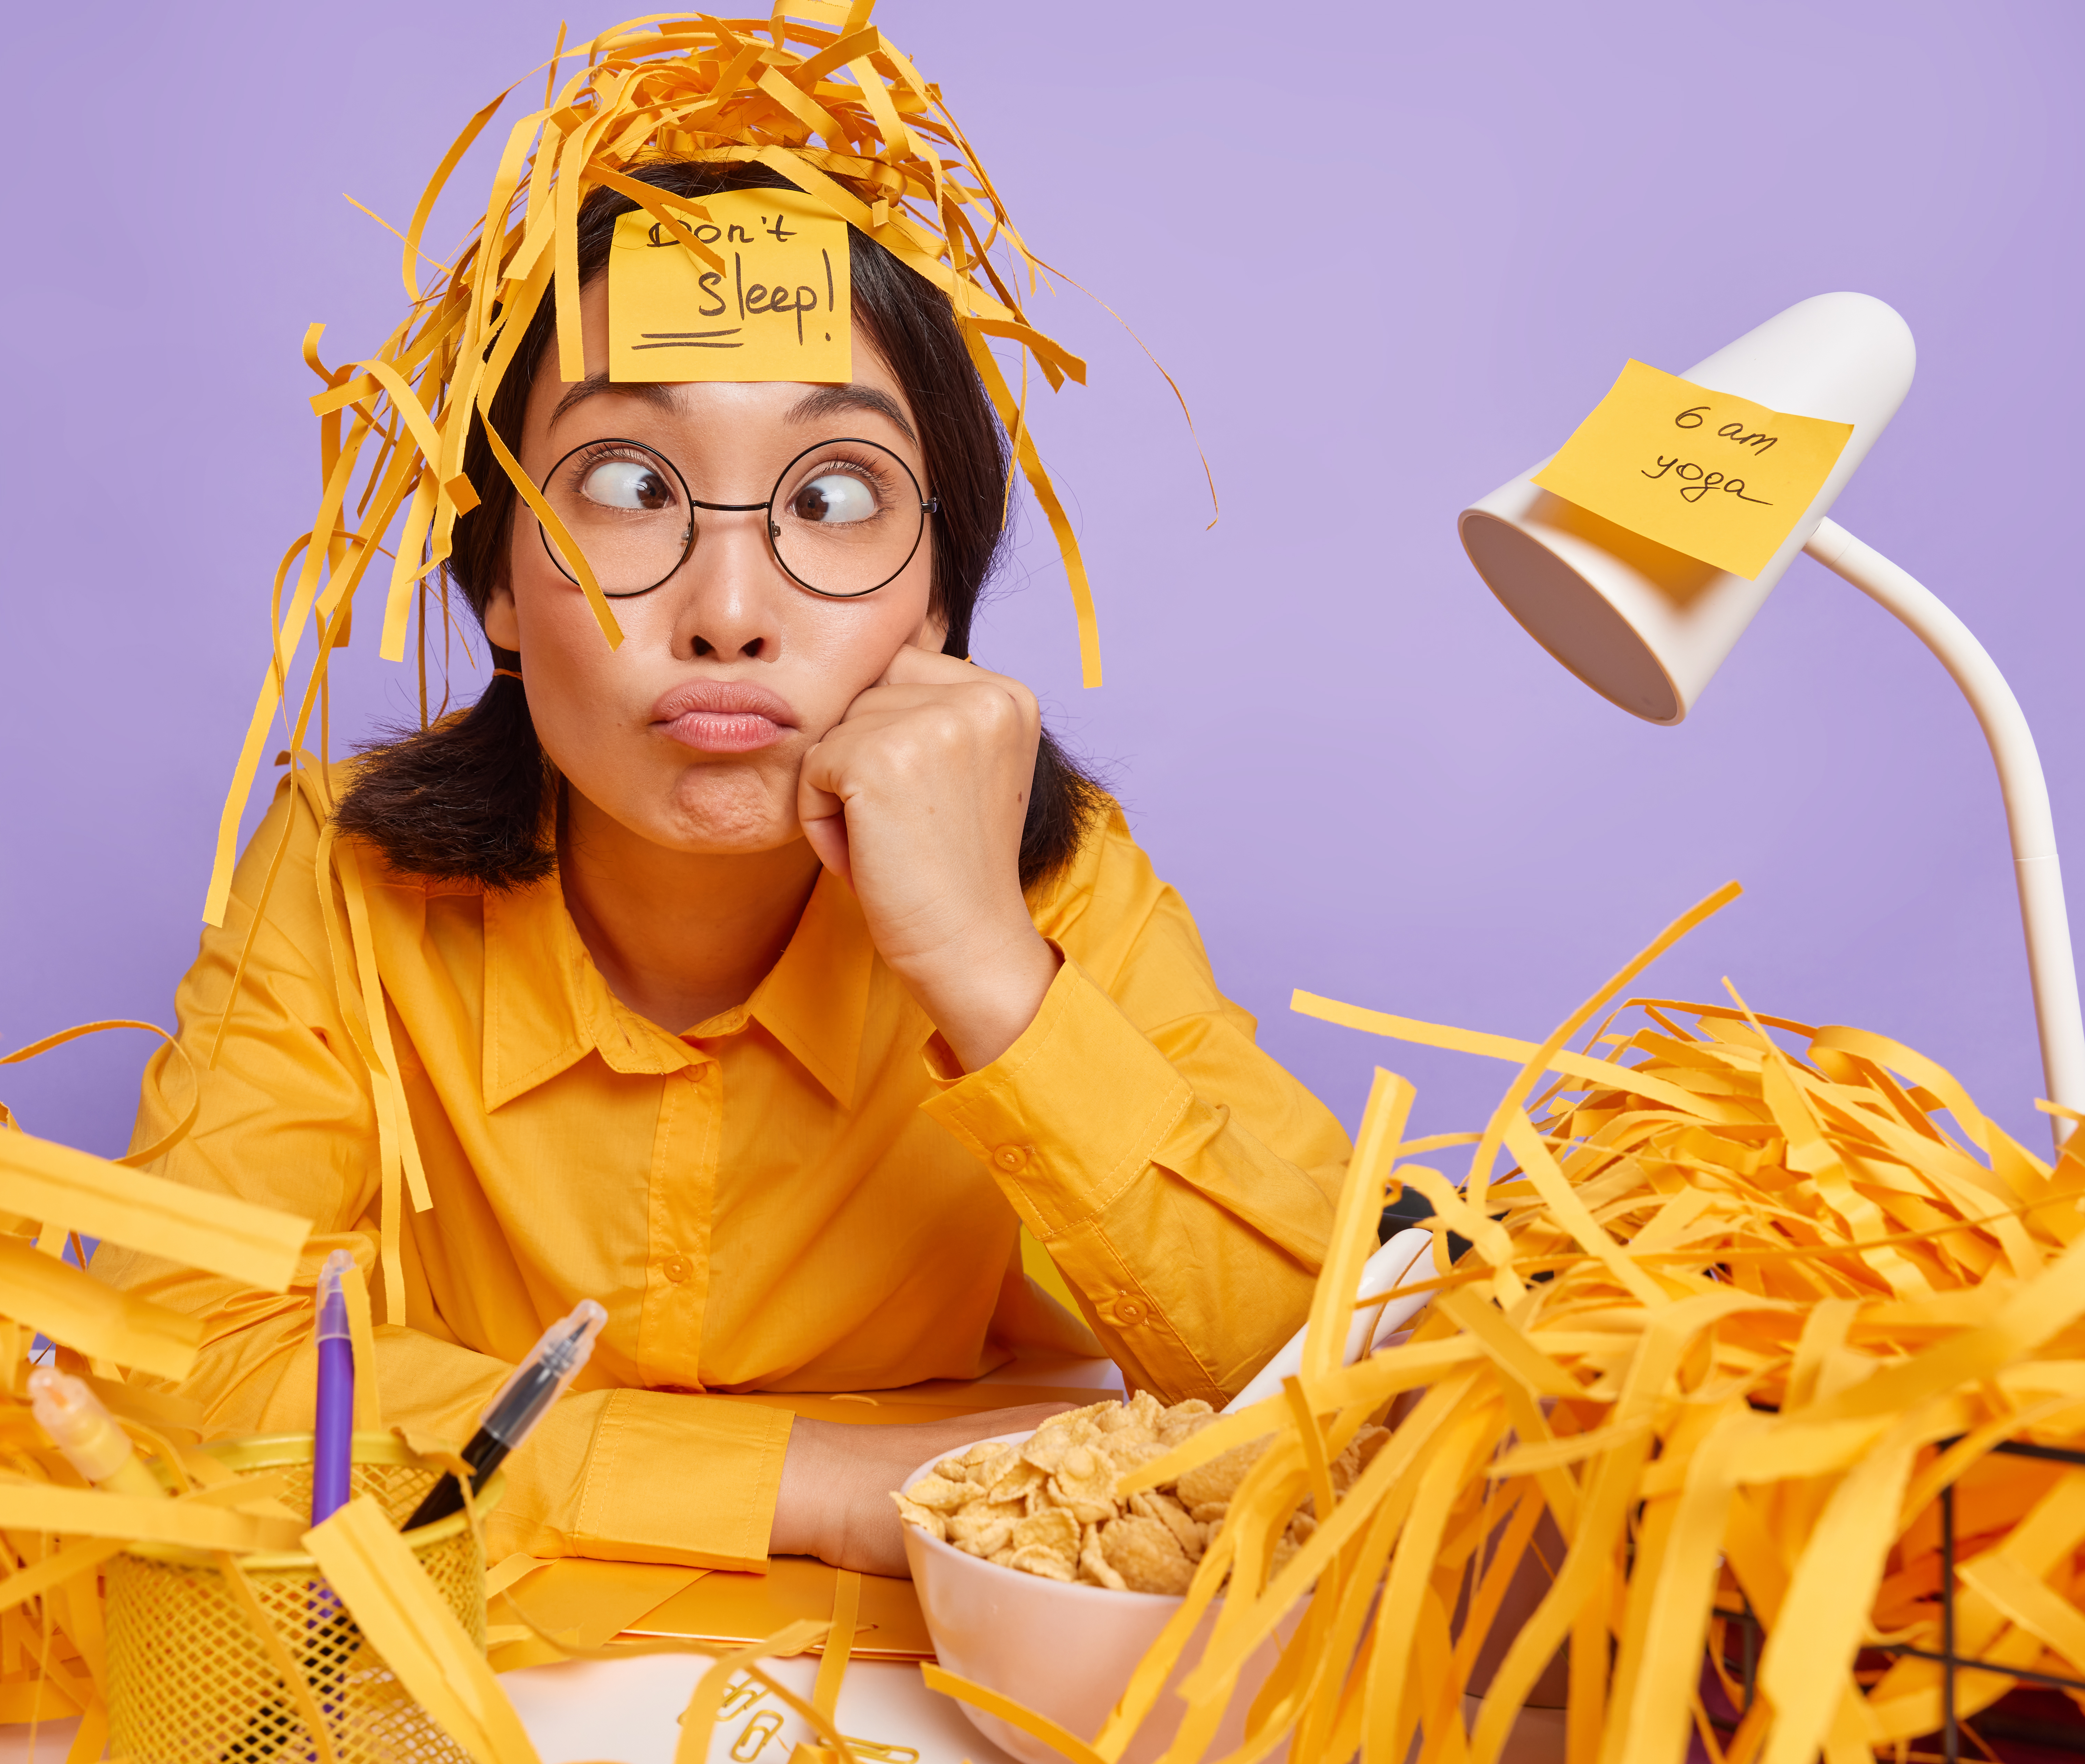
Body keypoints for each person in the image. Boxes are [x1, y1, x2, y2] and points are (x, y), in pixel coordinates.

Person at [96, 12, 1351, 1579]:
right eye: (629, 486)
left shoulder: (1056, 886)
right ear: (495, 582)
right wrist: (827, 1482)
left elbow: (1340, 1383)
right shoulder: (344, 879)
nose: (730, 606)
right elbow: (174, 1363)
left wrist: (988, 976)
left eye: (832, 498)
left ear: (936, 608)